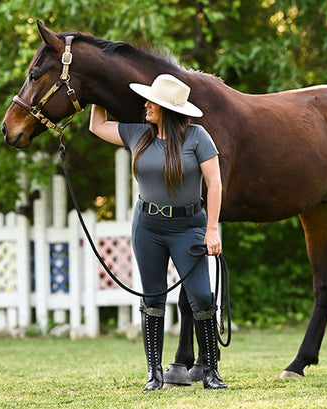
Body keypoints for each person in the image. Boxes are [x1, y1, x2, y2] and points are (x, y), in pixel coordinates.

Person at [89, 74, 226, 390]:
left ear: (167, 108)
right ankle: (155, 374)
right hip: (148, 227)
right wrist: (96, 93)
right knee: (152, 297)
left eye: (152, 101)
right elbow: (97, 127)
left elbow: (215, 183)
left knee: (202, 296)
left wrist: (212, 229)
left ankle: (210, 371)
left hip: (188, 227)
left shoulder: (197, 137)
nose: (146, 105)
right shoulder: (139, 134)